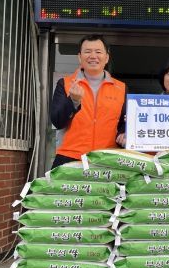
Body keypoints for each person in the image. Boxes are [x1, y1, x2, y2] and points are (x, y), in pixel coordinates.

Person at [50, 34, 127, 169]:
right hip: (70, 158)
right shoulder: (65, 83)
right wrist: (73, 101)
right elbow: (57, 121)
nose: (93, 56)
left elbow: (124, 123)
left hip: (107, 159)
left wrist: (124, 133)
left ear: (106, 57)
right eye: (87, 51)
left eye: (98, 52)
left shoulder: (121, 88)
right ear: (80, 57)